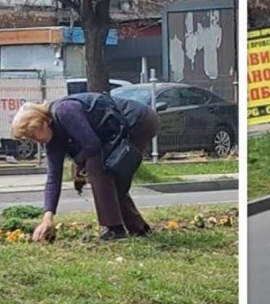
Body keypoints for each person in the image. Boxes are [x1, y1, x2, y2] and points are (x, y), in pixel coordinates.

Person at [10, 92, 159, 242]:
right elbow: (53, 178)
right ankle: (138, 229)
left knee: (97, 165)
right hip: (119, 131)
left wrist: (77, 163)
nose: (36, 141)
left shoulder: (65, 110)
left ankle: (114, 229)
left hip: (139, 120)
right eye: (30, 138)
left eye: (34, 135)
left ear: (43, 121)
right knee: (109, 179)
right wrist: (47, 218)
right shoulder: (52, 140)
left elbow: (92, 145)